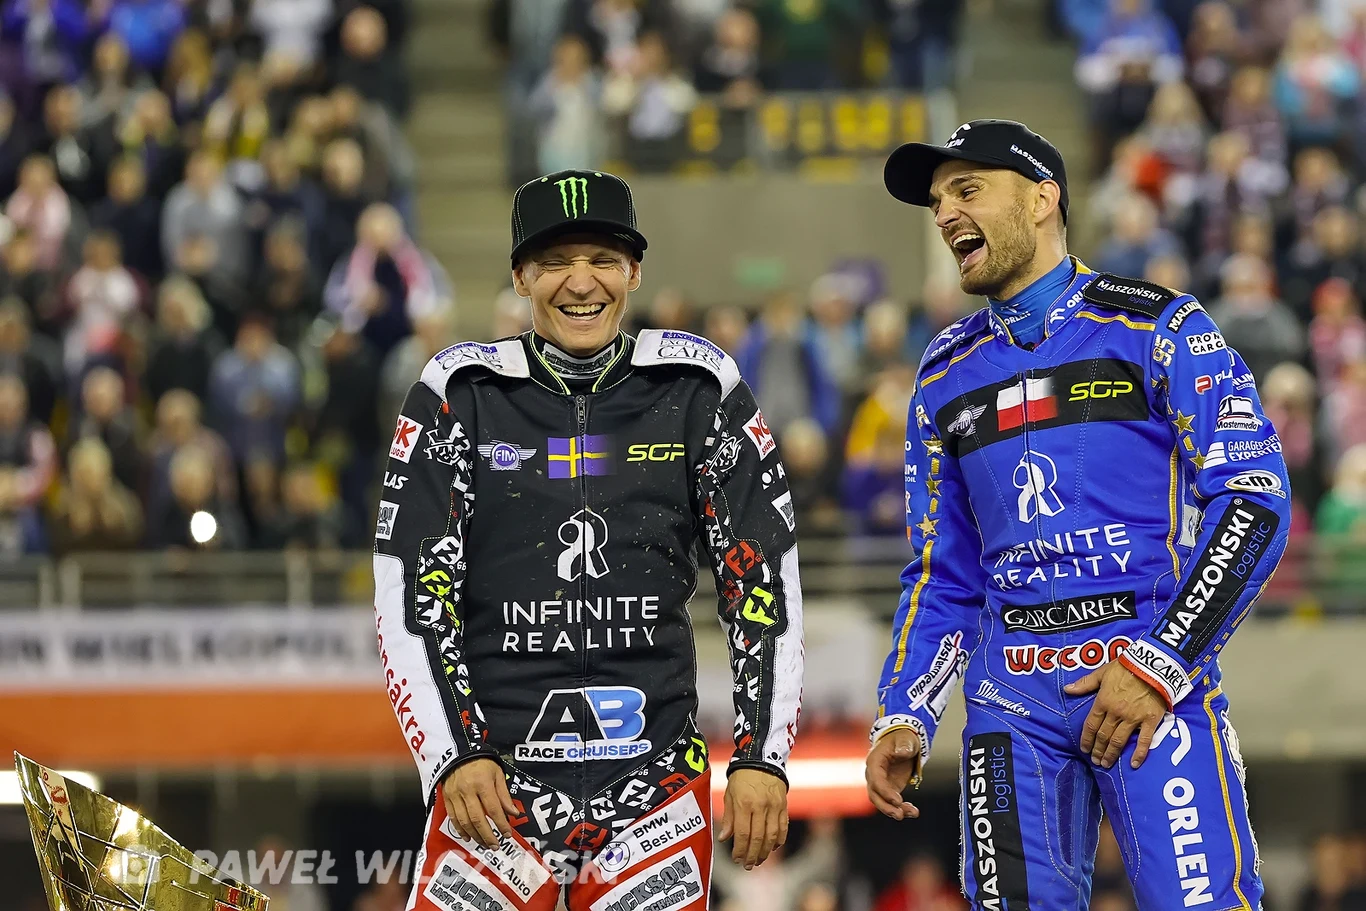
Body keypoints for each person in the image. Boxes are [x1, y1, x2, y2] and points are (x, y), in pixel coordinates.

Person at [865, 119, 1289, 910]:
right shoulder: (943, 372)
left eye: (967, 190)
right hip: (1011, 703)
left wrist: (1161, 664)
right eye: (936, 201)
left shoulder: (1162, 326)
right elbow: (941, 572)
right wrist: (905, 709)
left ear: (1041, 198)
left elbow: (1256, 502)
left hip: (1149, 682)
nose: (945, 213)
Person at [375, 168, 803, 910]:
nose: (582, 282)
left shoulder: (698, 387)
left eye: (603, 259)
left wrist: (762, 752)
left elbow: (764, 579)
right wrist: (453, 753)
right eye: (555, 262)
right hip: (494, 792)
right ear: (521, 275)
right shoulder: (458, 394)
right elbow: (412, 595)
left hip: (655, 798)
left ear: (634, 271)